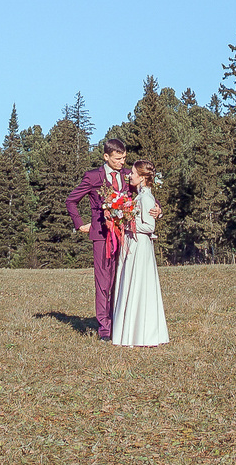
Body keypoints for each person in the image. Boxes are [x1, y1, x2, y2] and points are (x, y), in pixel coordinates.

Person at [64, 134, 130, 340]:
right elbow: (71, 200)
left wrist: (156, 208)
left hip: (125, 235)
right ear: (106, 157)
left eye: (124, 158)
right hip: (102, 236)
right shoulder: (93, 177)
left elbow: (144, 193)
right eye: (118, 158)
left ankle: (120, 322)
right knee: (103, 282)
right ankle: (104, 329)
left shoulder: (128, 175)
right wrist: (80, 224)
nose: (122, 162)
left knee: (121, 279)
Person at [109, 159, 168, 348]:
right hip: (134, 243)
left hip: (140, 245)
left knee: (139, 284)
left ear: (142, 177)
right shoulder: (140, 196)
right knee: (132, 283)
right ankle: (132, 331)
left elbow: (149, 226)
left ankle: (141, 332)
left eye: (133, 173)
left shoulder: (146, 198)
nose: (130, 175)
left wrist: (126, 223)